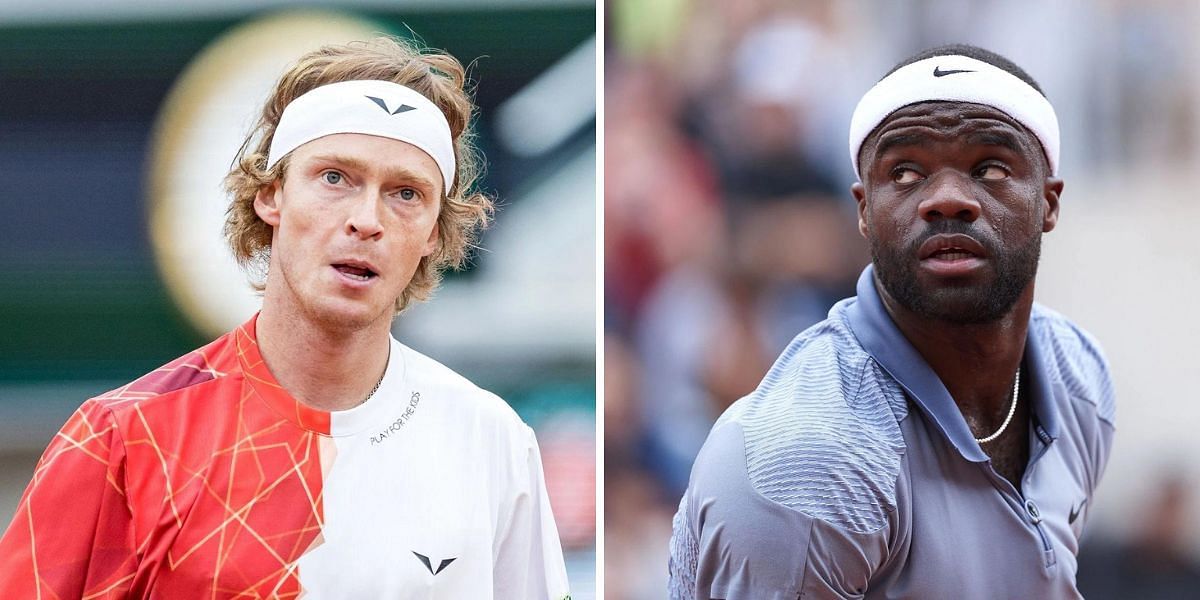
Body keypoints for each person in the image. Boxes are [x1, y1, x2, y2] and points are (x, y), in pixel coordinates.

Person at [0, 37, 571, 600]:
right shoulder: (121, 439)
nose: (366, 220)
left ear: (432, 233)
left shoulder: (491, 440)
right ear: (271, 196)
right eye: (334, 178)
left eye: (405, 193)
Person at [668, 43, 1114, 599]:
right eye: (905, 173)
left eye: (991, 167)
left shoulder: (1080, 379)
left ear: (1048, 202)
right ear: (863, 210)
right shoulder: (810, 460)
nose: (947, 198)